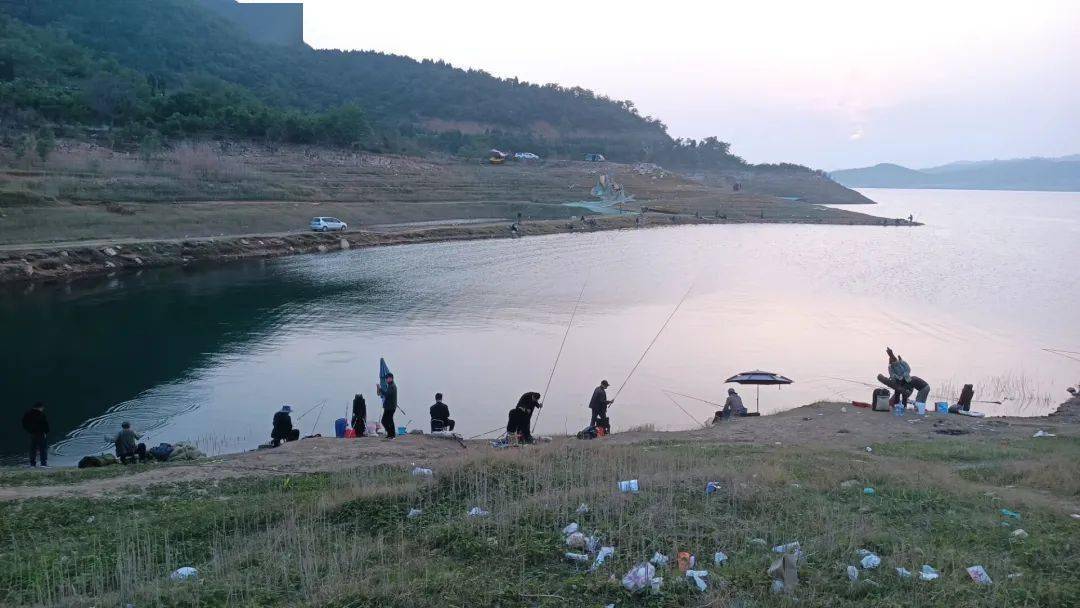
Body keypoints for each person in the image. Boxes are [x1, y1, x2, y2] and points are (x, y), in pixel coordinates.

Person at [21, 401, 49, 467]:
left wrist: (29, 430)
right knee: (43, 449)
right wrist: (46, 432)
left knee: (32, 449)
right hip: (41, 433)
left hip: (32, 433)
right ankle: (43, 464)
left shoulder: (27, 413)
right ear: (39, 407)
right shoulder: (41, 414)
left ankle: (32, 464)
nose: (43, 409)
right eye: (42, 407)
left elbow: (24, 423)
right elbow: (45, 424)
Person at [378, 373, 398, 438]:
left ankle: (392, 434)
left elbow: (387, 394)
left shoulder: (392, 386)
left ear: (391, 378)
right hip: (388, 407)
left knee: (386, 421)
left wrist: (380, 389)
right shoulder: (390, 385)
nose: (386, 379)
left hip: (390, 407)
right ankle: (390, 434)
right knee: (386, 421)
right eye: (386, 378)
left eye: (388, 378)